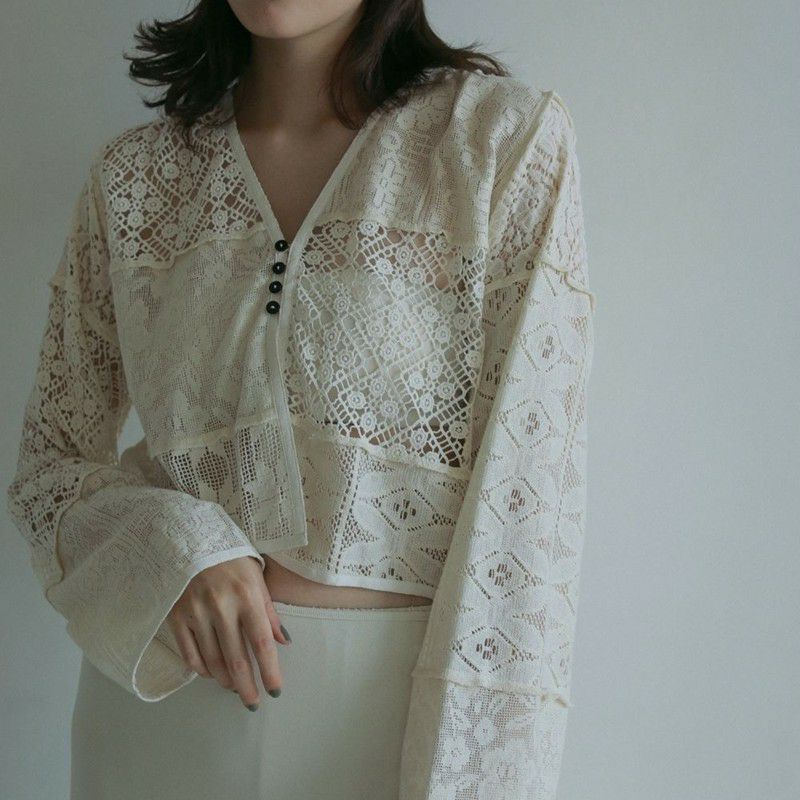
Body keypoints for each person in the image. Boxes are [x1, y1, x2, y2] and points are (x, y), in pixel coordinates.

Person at [5, 1, 596, 798]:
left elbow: (529, 513)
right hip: (160, 712)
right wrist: (175, 547)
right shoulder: (135, 178)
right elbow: (48, 469)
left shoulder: (497, 142)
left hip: (388, 722)